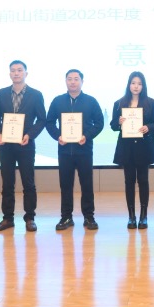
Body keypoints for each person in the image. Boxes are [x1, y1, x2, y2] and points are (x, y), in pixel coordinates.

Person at [0, 60, 46, 232]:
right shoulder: (1, 93)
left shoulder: (36, 94)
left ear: (26, 73)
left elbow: (42, 119)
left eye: (20, 70)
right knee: (7, 183)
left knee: (28, 182)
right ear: (9, 74)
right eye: (13, 70)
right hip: (6, 145)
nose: (16, 73)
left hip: (25, 145)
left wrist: (30, 135)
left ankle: (30, 217)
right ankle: (7, 218)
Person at [46, 69, 104, 231]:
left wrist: (87, 136)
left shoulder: (91, 101)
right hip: (64, 150)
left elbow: (99, 123)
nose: (73, 82)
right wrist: (58, 136)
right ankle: (66, 217)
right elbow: (49, 122)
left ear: (82, 81)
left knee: (87, 185)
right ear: (65, 81)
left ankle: (89, 217)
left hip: (84, 149)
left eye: (76, 79)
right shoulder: (58, 101)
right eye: (69, 79)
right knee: (65, 185)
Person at [110, 71, 154, 229]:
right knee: (129, 181)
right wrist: (118, 122)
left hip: (144, 148)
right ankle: (131, 216)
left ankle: (144, 216)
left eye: (139, 83)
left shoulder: (151, 103)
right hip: (127, 148)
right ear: (128, 85)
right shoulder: (119, 103)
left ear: (143, 86)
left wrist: (148, 127)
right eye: (133, 83)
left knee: (143, 181)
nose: (136, 86)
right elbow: (113, 126)